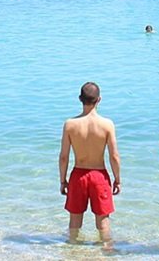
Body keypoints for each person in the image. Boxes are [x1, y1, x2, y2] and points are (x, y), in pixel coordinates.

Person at [59, 82, 121, 245]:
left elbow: (63, 157)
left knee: (74, 221)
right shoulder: (107, 124)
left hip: (78, 176)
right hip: (99, 176)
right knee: (103, 221)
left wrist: (63, 180)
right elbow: (114, 156)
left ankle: (73, 250)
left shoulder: (70, 124)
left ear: (80, 99)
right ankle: (107, 251)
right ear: (99, 99)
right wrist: (117, 179)